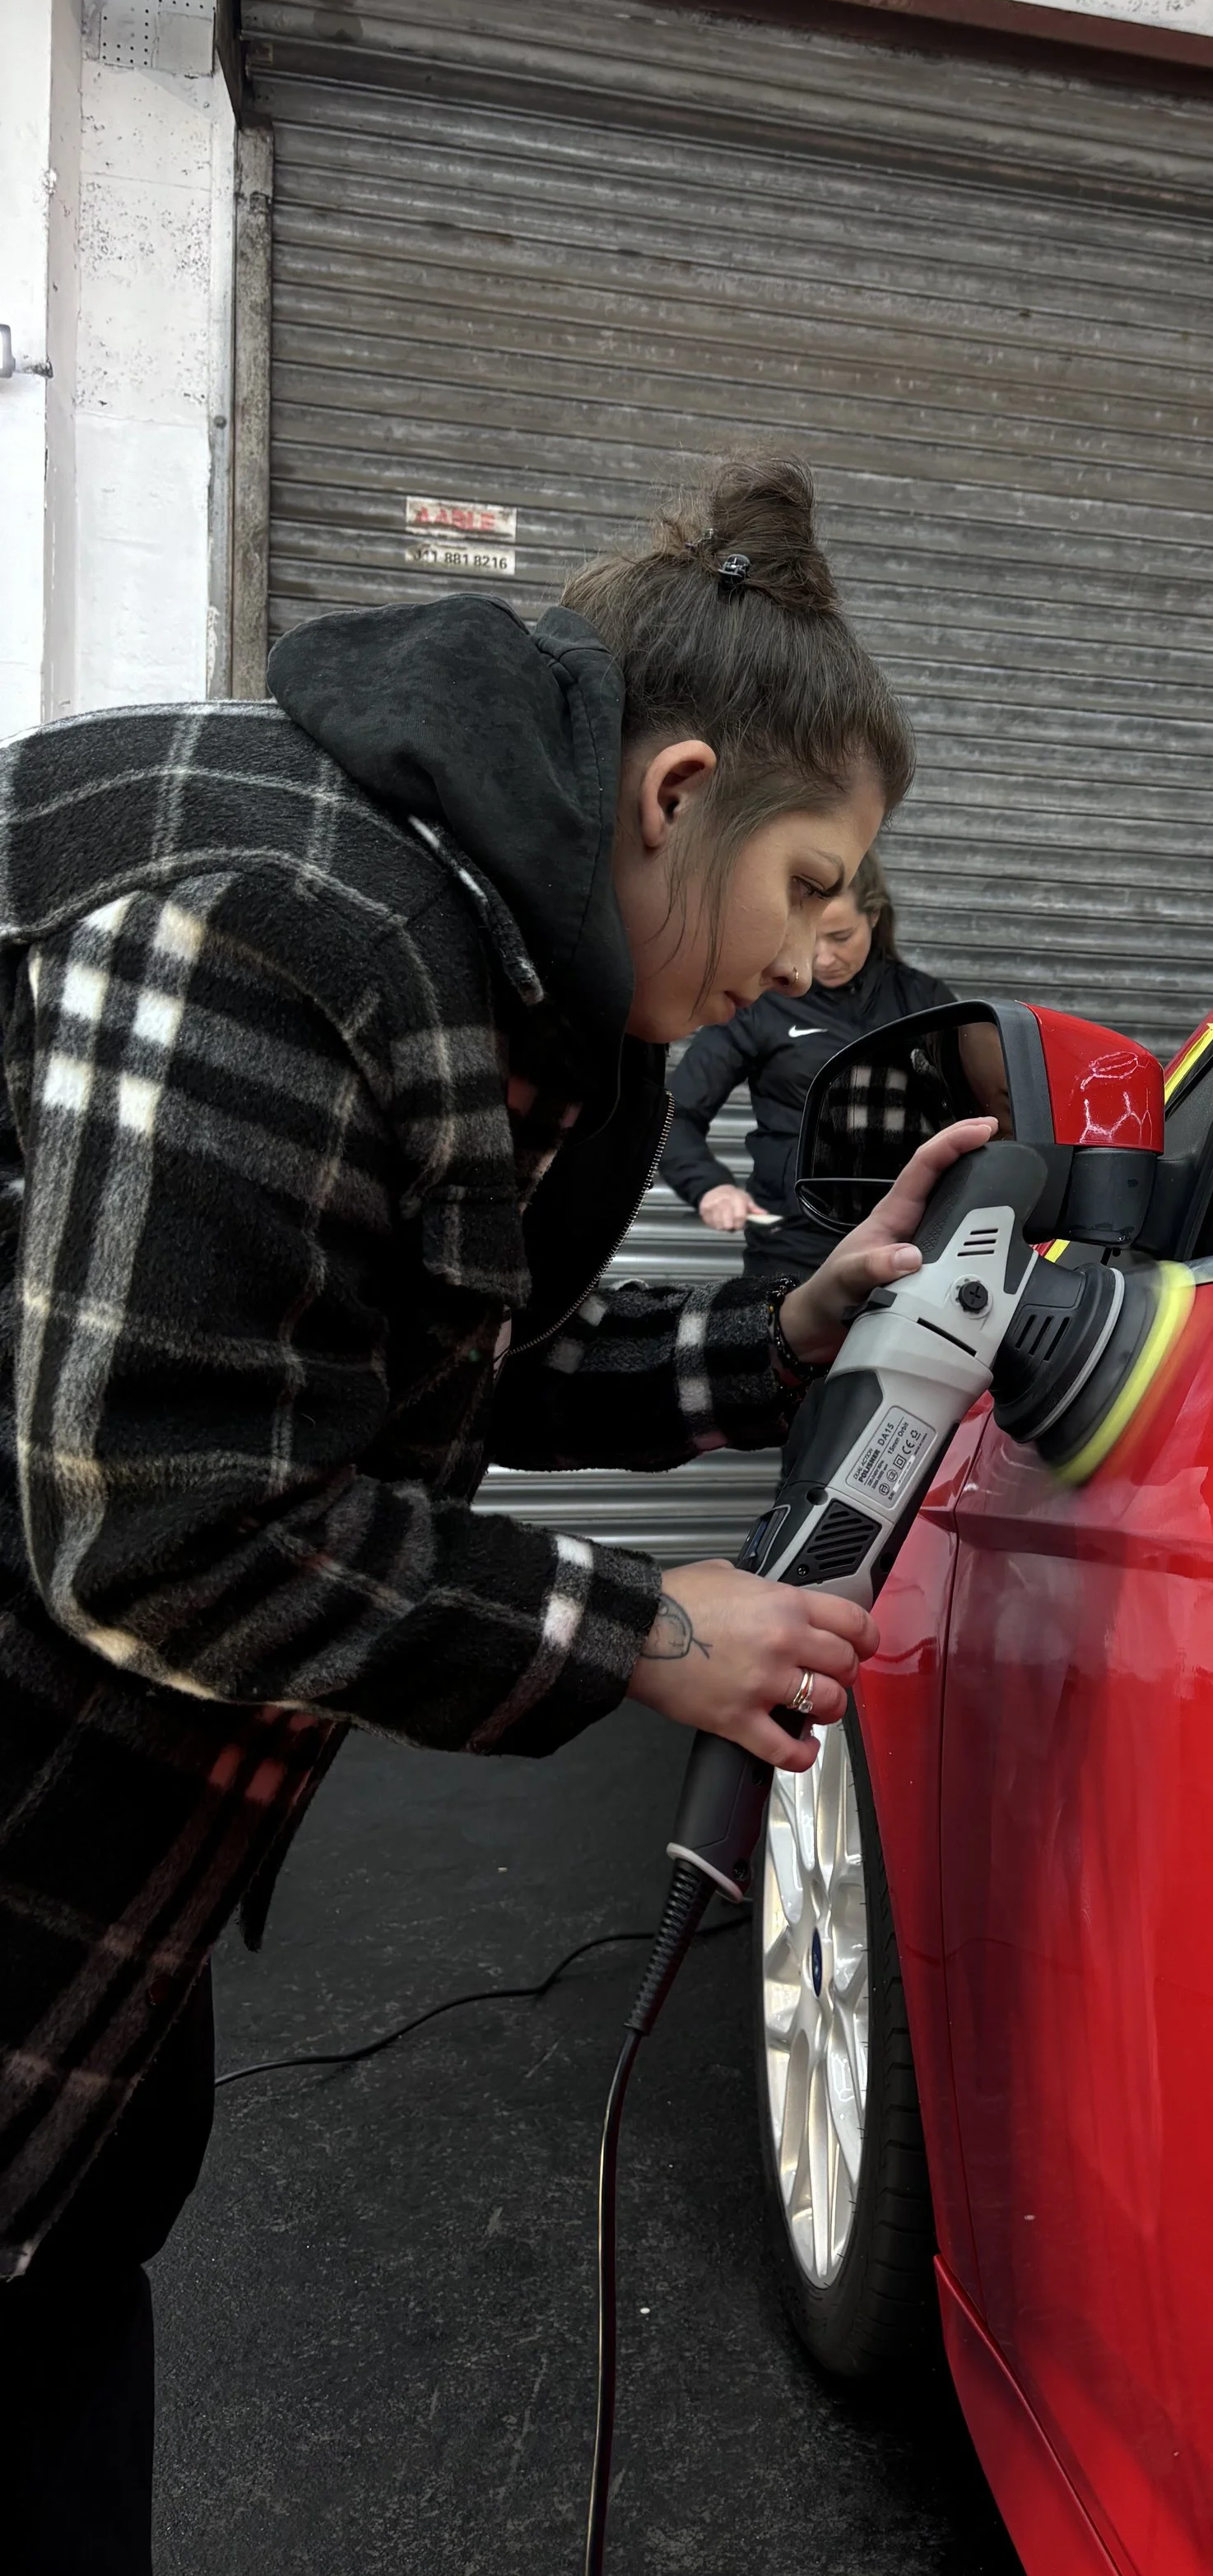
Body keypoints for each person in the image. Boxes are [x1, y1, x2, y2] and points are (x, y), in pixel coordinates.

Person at [0, 456, 992, 2567]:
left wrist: (784, 1335)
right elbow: (167, 1523)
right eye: (816, 881)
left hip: (97, 1928)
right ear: (678, 788)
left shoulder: (509, 987)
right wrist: (648, 1633)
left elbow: (420, 1360)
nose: (829, 963)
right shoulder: (280, 921)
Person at [662, 850, 957, 1283]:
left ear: (873, 916)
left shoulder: (925, 1000)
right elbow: (673, 1113)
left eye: (840, 936)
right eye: (809, 935)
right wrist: (709, 1186)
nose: (821, 958)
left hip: (909, 1242)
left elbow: (973, 1117)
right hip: (791, 1244)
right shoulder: (762, 1003)